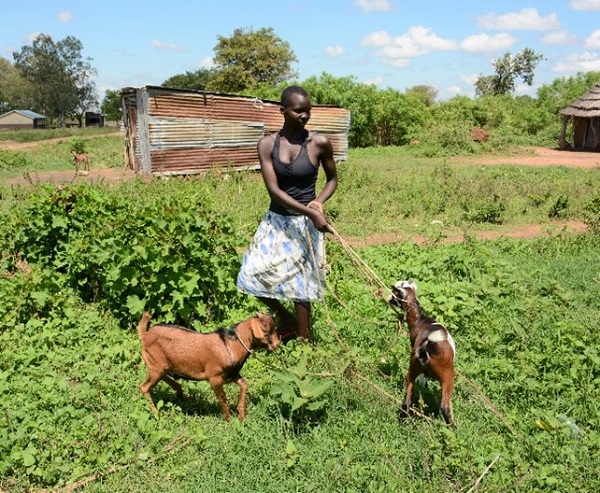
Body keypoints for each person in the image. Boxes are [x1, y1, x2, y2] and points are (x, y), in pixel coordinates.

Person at [236, 85, 338, 342]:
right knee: (251, 273)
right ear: (283, 110)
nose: (303, 116)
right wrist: (312, 213)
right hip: (276, 221)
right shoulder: (267, 144)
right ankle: (287, 319)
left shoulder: (319, 143)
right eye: (297, 111)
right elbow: (274, 191)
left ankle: (306, 340)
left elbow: (332, 180)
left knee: (302, 283)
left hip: (305, 223)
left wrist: (318, 203)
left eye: (307, 111)